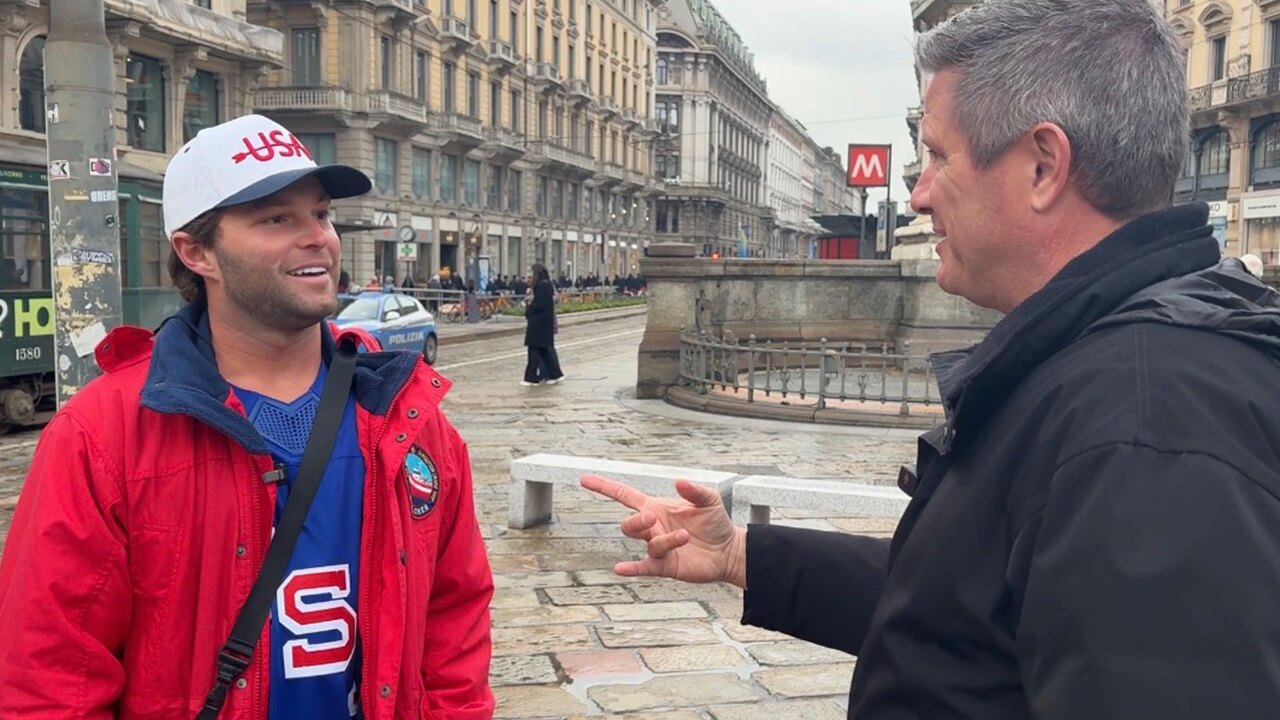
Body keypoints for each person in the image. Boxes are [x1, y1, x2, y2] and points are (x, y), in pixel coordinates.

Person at [584, 1, 1280, 718]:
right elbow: (967, 609)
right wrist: (743, 557)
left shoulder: (1145, 429)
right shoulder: (1099, 363)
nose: (916, 195)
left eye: (938, 156)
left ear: (1043, 166)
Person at [0, 114, 494, 718]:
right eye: (277, 218)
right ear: (196, 250)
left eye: (321, 214)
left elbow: (455, 617)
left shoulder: (407, 417)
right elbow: (50, 677)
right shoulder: (104, 435)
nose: (319, 238)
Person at [522, 263, 564, 386]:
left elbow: (539, 305)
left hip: (538, 324)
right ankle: (554, 374)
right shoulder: (545, 285)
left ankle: (532, 378)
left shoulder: (542, 286)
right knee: (544, 351)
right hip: (543, 324)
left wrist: (529, 305)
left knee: (538, 350)